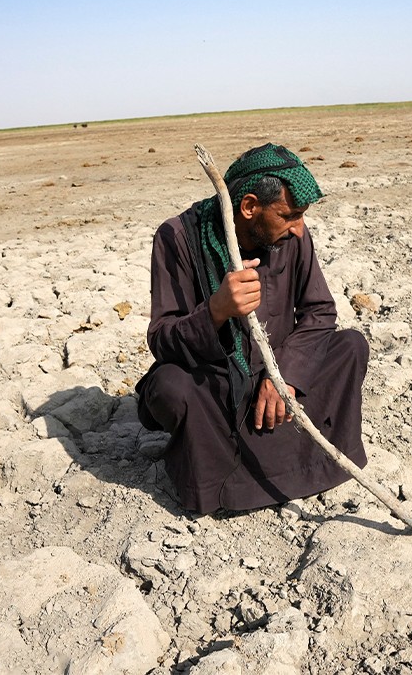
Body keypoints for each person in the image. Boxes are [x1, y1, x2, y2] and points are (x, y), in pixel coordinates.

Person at [135, 143, 369, 514]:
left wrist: (286, 378)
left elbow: (319, 311)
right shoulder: (177, 237)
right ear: (248, 208)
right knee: (169, 387)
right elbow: (162, 340)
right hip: (217, 386)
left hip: (276, 381)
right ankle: (227, 479)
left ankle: (292, 458)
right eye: (289, 216)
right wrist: (215, 310)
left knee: (351, 346)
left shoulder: (293, 236)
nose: (298, 229)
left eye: (301, 217)